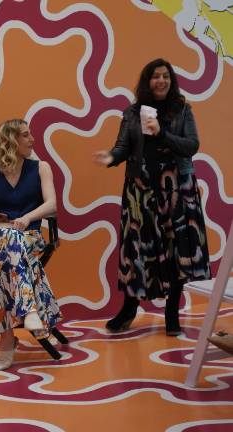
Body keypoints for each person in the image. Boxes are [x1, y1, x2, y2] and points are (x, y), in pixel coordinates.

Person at [93, 58, 211, 336]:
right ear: (147, 82)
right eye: (156, 76)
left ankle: (172, 313)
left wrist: (164, 133)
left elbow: (192, 145)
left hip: (177, 190)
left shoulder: (182, 109)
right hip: (141, 191)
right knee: (135, 252)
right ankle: (129, 307)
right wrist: (110, 157)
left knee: (177, 251)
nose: (161, 81)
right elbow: (122, 147)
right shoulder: (132, 113)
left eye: (166, 76)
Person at [0, 119, 62, 371]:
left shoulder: (41, 167)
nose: (32, 138)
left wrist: (27, 217)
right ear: (11, 141)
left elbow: (52, 204)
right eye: (25, 135)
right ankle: (30, 309)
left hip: (29, 238)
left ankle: (6, 343)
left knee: (1, 261)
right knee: (4, 240)